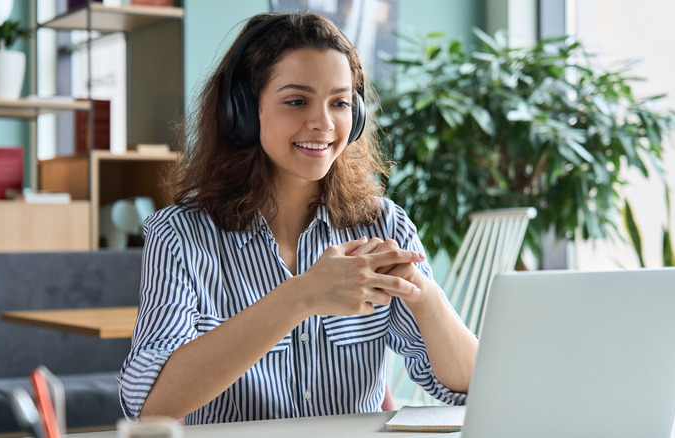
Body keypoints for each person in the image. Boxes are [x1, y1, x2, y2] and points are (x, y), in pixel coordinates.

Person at [118, 11, 479, 424]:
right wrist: (301, 295)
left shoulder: (384, 225)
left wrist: (424, 295)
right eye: (296, 101)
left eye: (340, 103)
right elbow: (148, 405)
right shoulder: (180, 235)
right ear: (242, 112)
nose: (323, 123)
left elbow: (474, 387)